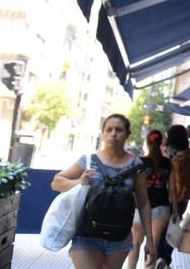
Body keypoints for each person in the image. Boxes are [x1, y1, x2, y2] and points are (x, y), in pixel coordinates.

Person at [52, 114, 156, 269]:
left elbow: (143, 203)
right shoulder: (88, 161)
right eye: (109, 130)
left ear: (127, 134)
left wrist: (150, 240)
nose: (113, 133)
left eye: (119, 130)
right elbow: (56, 182)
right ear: (102, 134)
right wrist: (79, 182)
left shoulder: (137, 165)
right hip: (86, 235)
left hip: (119, 238)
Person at [156, 124, 190, 266]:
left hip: (163, 195)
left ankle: (157, 258)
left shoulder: (165, 152)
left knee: (160, 228)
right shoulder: (189, 154)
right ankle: (166, 259)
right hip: (182, 197)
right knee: (173, 228)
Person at [127, 130, 171, 269]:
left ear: (147, 142)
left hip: (139, 207)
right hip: (161, 207)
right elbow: (173, 190)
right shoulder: (168, 163)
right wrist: (175, 211)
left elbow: (132, 187)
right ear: (162, 143)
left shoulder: (139, 162)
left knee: (135, 242)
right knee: (153, 245)